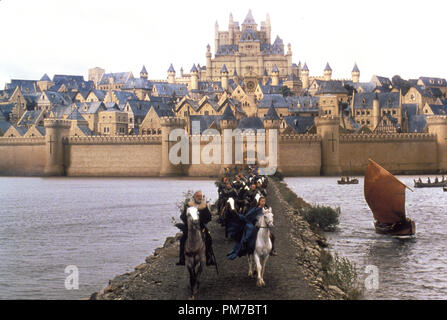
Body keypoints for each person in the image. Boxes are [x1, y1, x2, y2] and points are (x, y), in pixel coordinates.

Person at [177, 190, 215, 266]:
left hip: (200, 226)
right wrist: (188, 223)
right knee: (183, 239)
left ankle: (209, 258)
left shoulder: (204, 205)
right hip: (189, 227)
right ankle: (182, 259)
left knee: (208, 238)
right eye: (197, 196)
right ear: (194, 197)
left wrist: (202, 221)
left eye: (200, 196)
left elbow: (209, 217)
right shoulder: (189, 205)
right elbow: (182, 216)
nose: (199, 197)